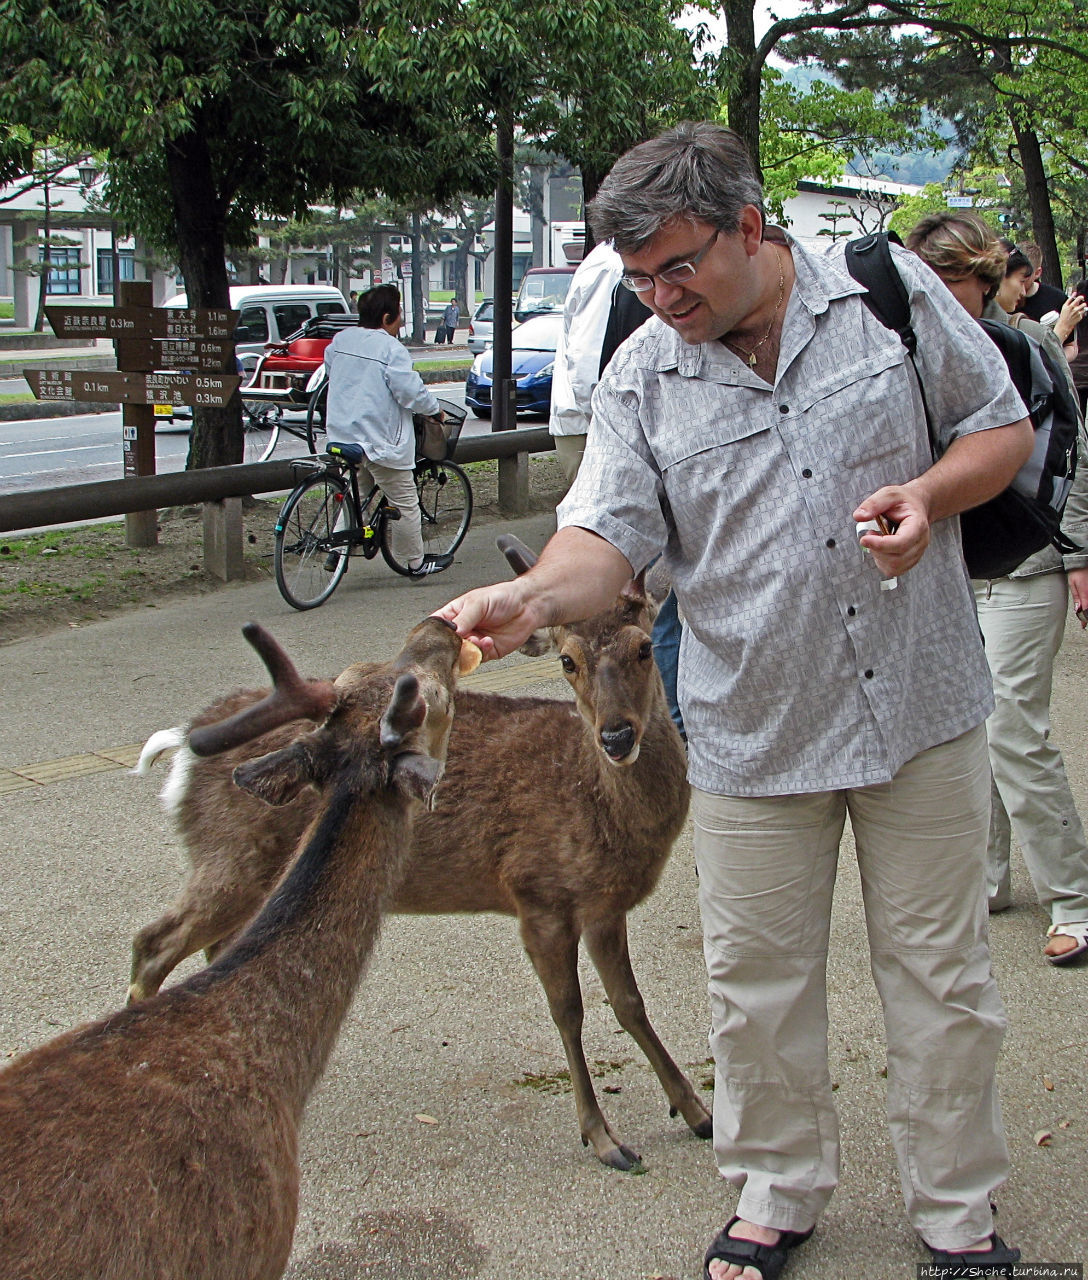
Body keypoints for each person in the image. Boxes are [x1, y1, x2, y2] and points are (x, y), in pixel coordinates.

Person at [436, 122, 1034, 1280]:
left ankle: (957, 1212)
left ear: (747, 227)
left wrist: (925, 491)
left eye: (676, 267)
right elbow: (604, 533)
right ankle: (775, 1189)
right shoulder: (641, 371)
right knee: (753, 980)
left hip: (917, 703)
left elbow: (997, 425)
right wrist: (527, 597)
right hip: (753, 728)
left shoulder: (882, 290)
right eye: (634, 276)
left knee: (940, 970)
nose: (658, 296)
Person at [907, 213, 1088, 967]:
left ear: (981, 280)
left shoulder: (1027, 345)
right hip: (952, 565)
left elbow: (1070, 461)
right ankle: (985, 880)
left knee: (1016, 730)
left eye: (942, 281)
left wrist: (1077, 553)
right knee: (962, 728)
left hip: (1027, 567)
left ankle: (1074, 896)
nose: (929, 297)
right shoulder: (912, 347)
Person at [546, 241, 686, 735]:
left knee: (636, 605)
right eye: (643, 280)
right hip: (612, 421)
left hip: (581, 414)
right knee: (643, 607)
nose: (662, 294)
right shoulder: (634, 275)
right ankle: (669, 721)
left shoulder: (603, 267)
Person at [324, 283, 453, 577]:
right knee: (405, 501)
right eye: (399, 315)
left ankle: (336, 550)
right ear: (386, 318)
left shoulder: (342, 340)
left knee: (357, 490)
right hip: (379, 439)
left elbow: (333, 369)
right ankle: (415, 563)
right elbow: (410, 392)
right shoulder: (390, 349)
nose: (402, 322)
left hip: (343, 433)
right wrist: (434, 410)